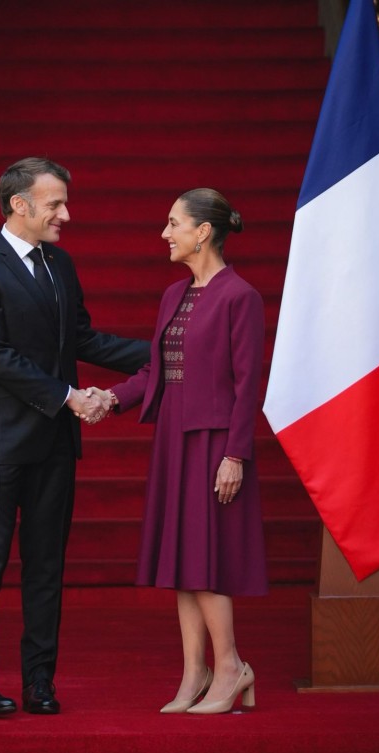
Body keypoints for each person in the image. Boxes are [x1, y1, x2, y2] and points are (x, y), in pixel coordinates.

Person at [0, 157, 149, 718]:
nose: (67, 213)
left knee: (46, 567)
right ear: (20, 205)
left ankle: (40, 681)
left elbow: (81, 338)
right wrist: (70, 397)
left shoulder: (60, 264)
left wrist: (166, 348)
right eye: (56, 203)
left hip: (54, 445)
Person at [103, 188, 267, 715]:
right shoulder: (173, 295)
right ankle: (194, 670)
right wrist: (110, 398)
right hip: (174, 440)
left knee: (207, 561)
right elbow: (157, 372)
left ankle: (231, 669)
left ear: (203, 231)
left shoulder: (240, 296)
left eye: (173, 223)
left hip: (216, 443)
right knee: (181, 561)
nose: (164, 233)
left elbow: (248, 385)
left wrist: (236, 455)